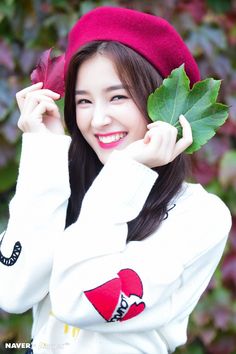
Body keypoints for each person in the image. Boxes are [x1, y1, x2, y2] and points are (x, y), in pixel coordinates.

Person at [0, 6, 232, 354]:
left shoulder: (199, 216)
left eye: (118, 96)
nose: (98, 119)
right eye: (83, 101)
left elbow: (78, 301)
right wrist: (44, 154)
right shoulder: (64, 190)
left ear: (159, 99)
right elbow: (12, 291)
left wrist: (127, 171)